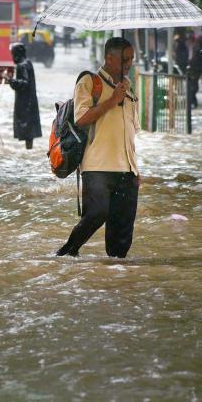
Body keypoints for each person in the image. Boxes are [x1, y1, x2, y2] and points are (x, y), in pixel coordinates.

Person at [55, 37, 140, 258]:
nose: (129, 63)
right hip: (97, 166)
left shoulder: (128, 88)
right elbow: (81, 118)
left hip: (127, 169)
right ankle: (66, 253)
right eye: (125, 59)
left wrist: (136, 169)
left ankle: (116, 272)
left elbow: (131, 132)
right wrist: (112, 100)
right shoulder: (89, 82)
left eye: (131, 58)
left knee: (122, 230)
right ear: (109, 58)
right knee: (96, 214)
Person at [6, 43, 41, 149]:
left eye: (13, 53)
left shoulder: (22, 65)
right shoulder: (28, 63)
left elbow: (24, 83)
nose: (12, 56)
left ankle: (28, 150)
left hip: (25, 103)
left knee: (27, 131)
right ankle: (29, 150)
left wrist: (11, 80)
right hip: (30, 101)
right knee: (29, 132)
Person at [187, 35, 202, 108]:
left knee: (193, 88)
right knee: (192, 88)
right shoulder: (193, 47)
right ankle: (193, 102)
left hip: (195, 72)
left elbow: (196, 60)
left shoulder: (196, 49)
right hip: (193, 71)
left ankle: (193, 102)